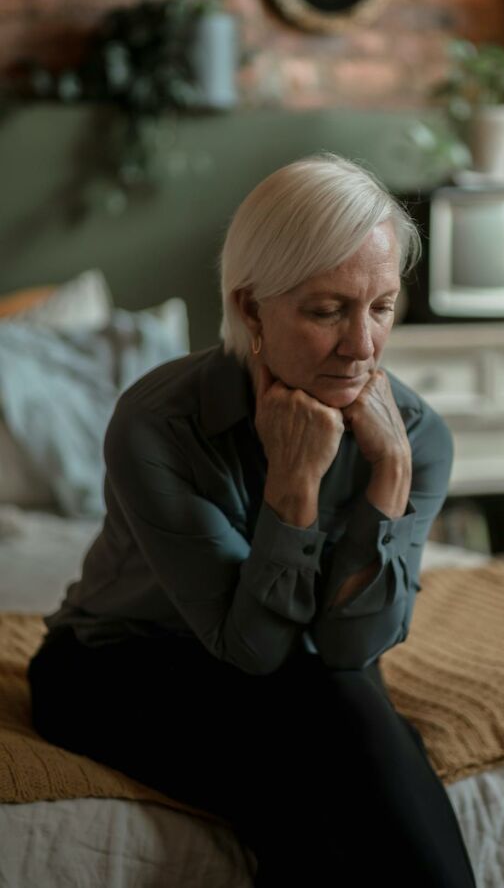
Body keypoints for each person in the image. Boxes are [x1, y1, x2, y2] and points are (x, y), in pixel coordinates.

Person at [27, 153, 478, 888]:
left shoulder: (415, 439)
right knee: (331, 766)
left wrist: (388, 476)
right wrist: (294, 484)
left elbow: (350, 649)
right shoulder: (158, 424)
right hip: (117, 665)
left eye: (382, 307)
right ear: (249, 309)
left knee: (334, 744)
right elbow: (254, 650)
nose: (362, 346)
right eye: (327, 309)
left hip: (303, 679)